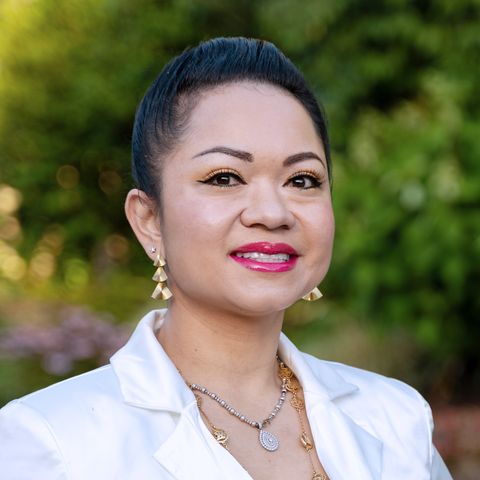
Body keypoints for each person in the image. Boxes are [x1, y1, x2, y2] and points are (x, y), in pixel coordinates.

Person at [0, 37, 452, 479]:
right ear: (149, 220)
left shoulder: (397, 420)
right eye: (224, 177)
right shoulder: (53, 441)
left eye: (302, 180)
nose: (272, 213)